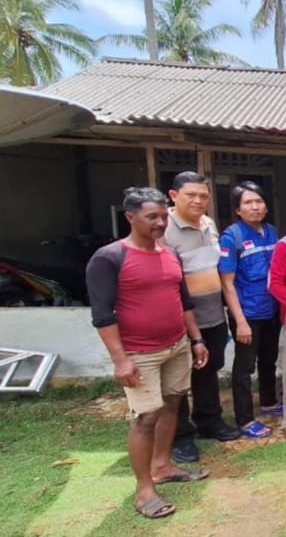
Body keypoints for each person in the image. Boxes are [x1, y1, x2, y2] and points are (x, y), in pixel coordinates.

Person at [86, 187, 210, 520]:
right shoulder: (110, 258)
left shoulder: (170, 254)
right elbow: (102, 314)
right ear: (130, 217)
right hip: (139, 353)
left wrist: (196, 339)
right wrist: (120, 360)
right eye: (151, 217)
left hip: (177, 345)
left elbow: (183, 302)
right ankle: (144, 489)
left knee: (172, 403)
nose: (160, 222)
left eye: (163, 215)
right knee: (146, 417)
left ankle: (162, 466)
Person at [164, 171, 240, 464]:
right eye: (191, 195)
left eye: (203, 195)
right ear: (174, 196)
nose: (198, 201)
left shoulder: (208, 224)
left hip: (213, 313)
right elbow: (172, 282)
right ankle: (181, 436)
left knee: (209, 370)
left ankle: (209, 421)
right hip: (183, 315)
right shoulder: (166, 229)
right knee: (180, 377)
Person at [218, 181, 280, 440]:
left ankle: (268, 402)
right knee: (244, 368)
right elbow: (227, 284)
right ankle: (244, 419)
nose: (255, 207)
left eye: (259, 201)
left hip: (271, 309)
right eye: (248, 203)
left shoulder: (271, 232)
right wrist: (240, 322)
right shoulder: (232, 237)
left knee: (269, 360)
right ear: (237, 209)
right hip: (247, 313)